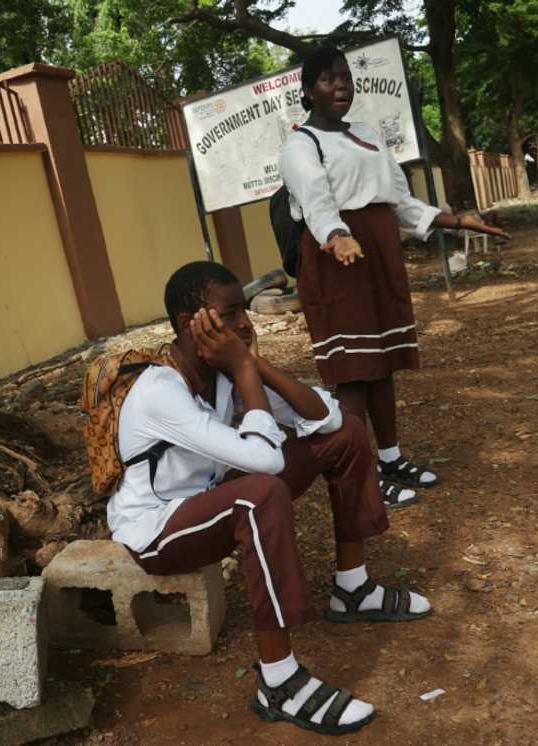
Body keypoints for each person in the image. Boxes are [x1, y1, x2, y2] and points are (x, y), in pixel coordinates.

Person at [107, 261, 431, 736]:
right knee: (260, 493)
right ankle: (278, 680)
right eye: (230, 311)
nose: (244, 322)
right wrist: (241, 365)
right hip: (157, 531)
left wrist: (252, 366)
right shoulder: (160, 390)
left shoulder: (221, 375)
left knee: (347, 437)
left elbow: (330, 417)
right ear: (188, 323)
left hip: (209, 501)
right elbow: (267, 463)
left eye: (245, 310)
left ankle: (353, 588)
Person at [279, 46, 508, 507]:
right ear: (307, 91)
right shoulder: (302, 145)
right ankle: (358, 475)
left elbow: (399, 200)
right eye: (327, 79)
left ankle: (390, 457)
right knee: (353, 372)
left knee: (382, 364)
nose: (340, 85)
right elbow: (317, 201)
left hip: (378, 253)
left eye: (345, 77)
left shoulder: (365, 134)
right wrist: (338, 235)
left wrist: (457, 222)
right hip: (337, 258)